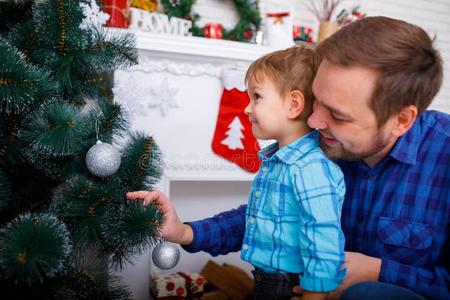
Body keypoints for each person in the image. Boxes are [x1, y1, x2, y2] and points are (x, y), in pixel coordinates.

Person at [128, 16, 449, 300]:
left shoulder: (443, 156)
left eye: (337, 114)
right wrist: (186, 231)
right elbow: (270, 215)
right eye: (317, 101)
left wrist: (377, 272)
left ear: (401, 120)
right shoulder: (318, 145)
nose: (313, 121)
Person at [131, 46, 347, 300]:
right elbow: (252, 221)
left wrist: (314, 296)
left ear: (294, 105)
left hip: (288, 287)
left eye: (257, 97)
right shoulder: (279, 163)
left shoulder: (311, 168)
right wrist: (182, 231)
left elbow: (323, 240)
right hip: (266, 281)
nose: (247, 109)